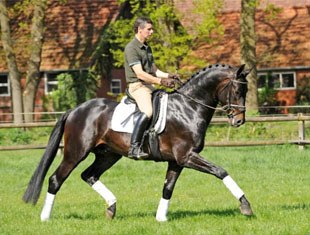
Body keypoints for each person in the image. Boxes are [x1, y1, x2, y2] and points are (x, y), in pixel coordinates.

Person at [124, 16, 177, 159]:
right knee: (147, 111)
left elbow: (154, 70)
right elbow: (140, 74)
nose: (152, 32)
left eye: (151, 29)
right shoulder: (131, 48)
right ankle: (134, 147)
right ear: (140, 30)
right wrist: (160, 81)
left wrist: (169, 76)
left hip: (149, 85)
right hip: (138, 86)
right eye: (149, 29)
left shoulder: (147, 47)